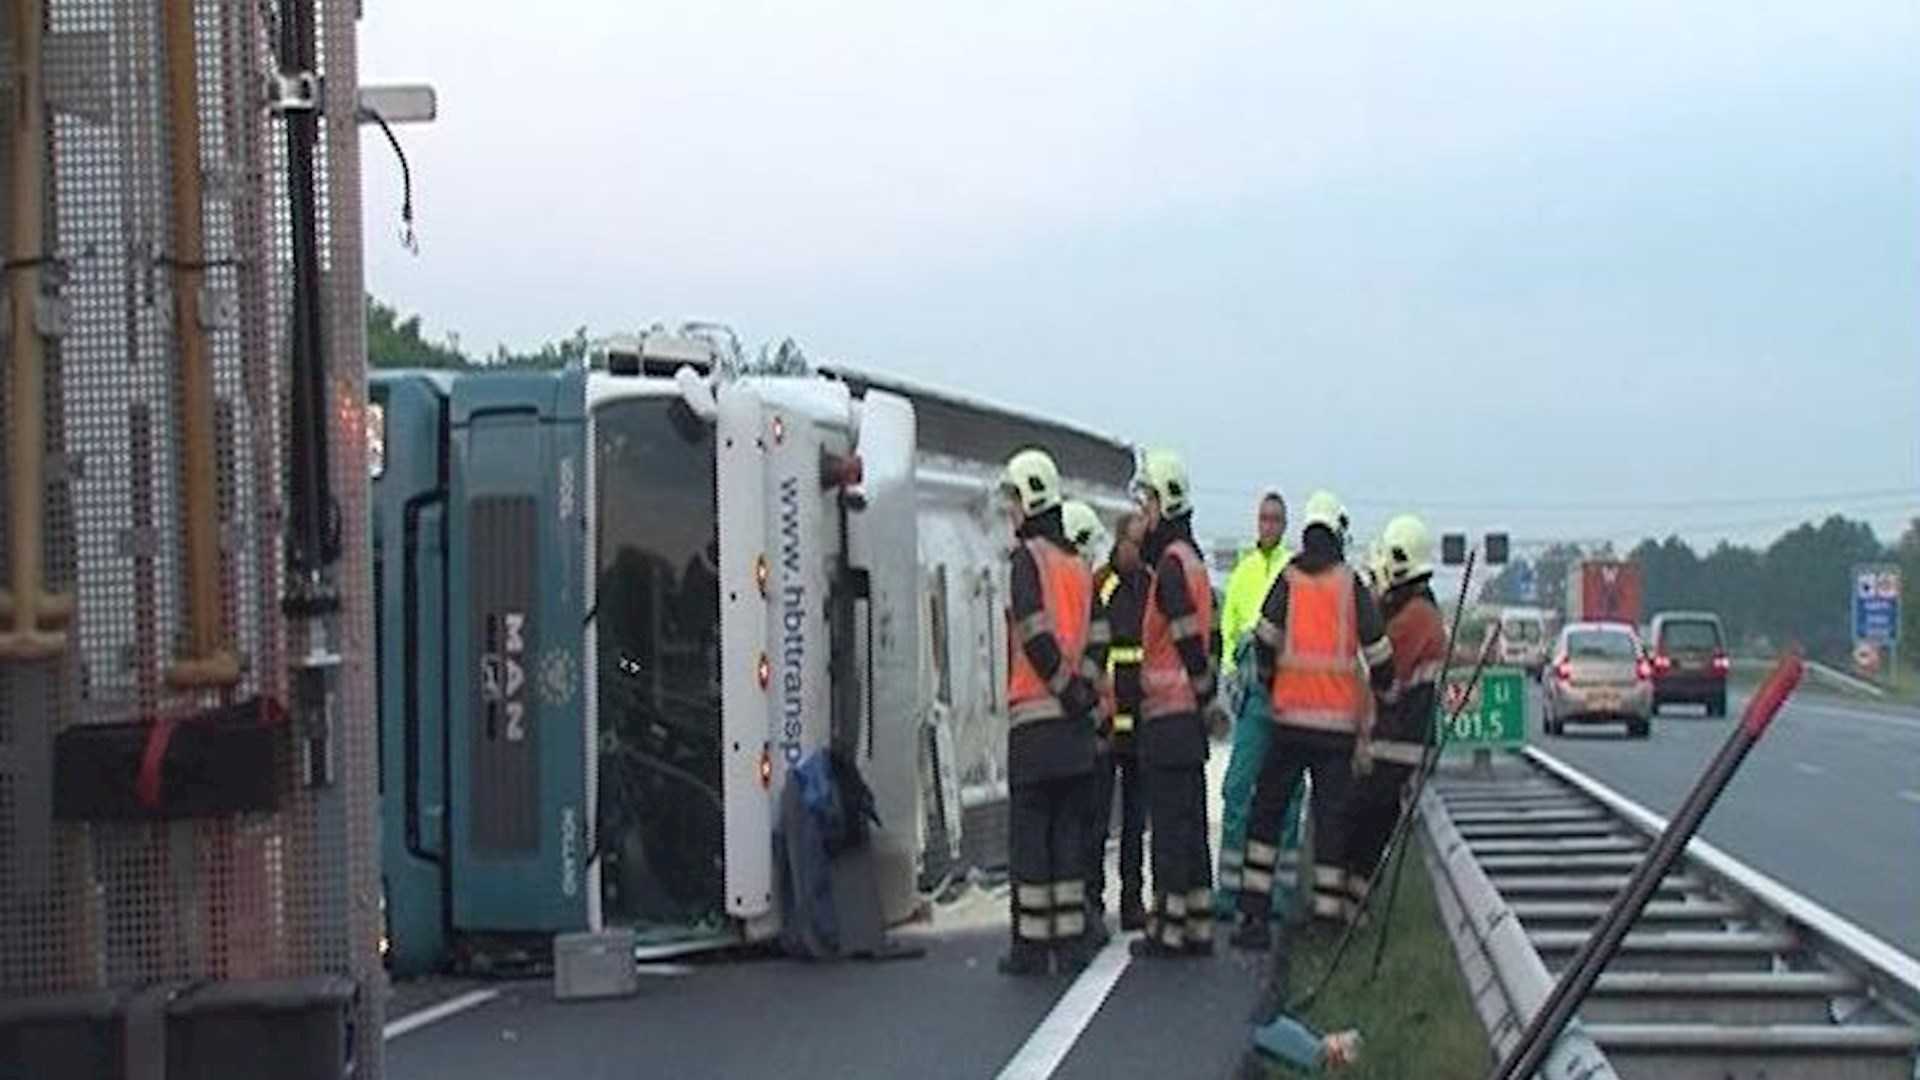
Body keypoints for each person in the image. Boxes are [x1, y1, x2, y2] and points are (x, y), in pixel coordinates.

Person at [1230, 490, 1395, 951]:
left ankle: (1253, 915)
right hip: (1337, 732)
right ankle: (1327, 919)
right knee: (1331, 821)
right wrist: (1382, 692)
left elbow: (1263, 638)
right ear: (1338, 532)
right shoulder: (1350, 584)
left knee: (1266, 815)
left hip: (1287, 723)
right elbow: (1379, 653)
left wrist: (1271, 677)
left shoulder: (1289, 579)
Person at [997, 449, 1104, 976]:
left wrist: (1062, 687)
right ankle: (1072, 939)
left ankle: (1031, 947)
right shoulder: (1080, 567)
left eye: (1013, 499)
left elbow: (1034, 630)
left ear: (1031, 497)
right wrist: (1082, 691)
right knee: (1067, 834)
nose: (1009, 512)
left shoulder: (1027, 560)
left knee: (1031, 838)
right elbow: (1100, 637)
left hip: (1037, 723)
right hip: (1076, 726)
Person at [1130, 448, 1219, 959]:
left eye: (1146, 503)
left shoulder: (1168, 565)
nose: (1142, 515)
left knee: (1168, 825)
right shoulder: (1194, 559)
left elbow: (1184, 633)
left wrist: (1200, 686)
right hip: (1187, 716)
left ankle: (1167, 929)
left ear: (1164, 504)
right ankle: (1198, 923)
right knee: (1189, 823)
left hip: (1167, 714)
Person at [1341, 514, 1447, 921]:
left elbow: (1382, 671)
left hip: (1394, 744)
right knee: (1366, 830)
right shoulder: (1420, 610)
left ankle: (1350, 912)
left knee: (1360, 827)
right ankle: (1351, 907)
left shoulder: (1414, 618)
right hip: (1399, 741)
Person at [1215, 492, 1296, 916]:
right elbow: (1229, 630)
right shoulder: (1243, 573)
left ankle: (1280, 896)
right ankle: (1229, 892)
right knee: (1237, 790)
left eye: (1275, 519)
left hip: (1285, 691)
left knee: (1287, 794)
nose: (1267, 525)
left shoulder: (1291, 570)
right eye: (1262, 518)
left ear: (1284, 524)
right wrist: (1232, 673)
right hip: (1251, 693)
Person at [1084, 510, 1151, 933]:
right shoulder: (1101, 583)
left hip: (1140, 721)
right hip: (1108, 720)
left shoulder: (1150, 584)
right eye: (1133, 543)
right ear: (1118, 541)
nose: (1137, 552)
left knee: (1135, 820)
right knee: (1096, 816)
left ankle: (1132, 898)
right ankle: (1093, 898)